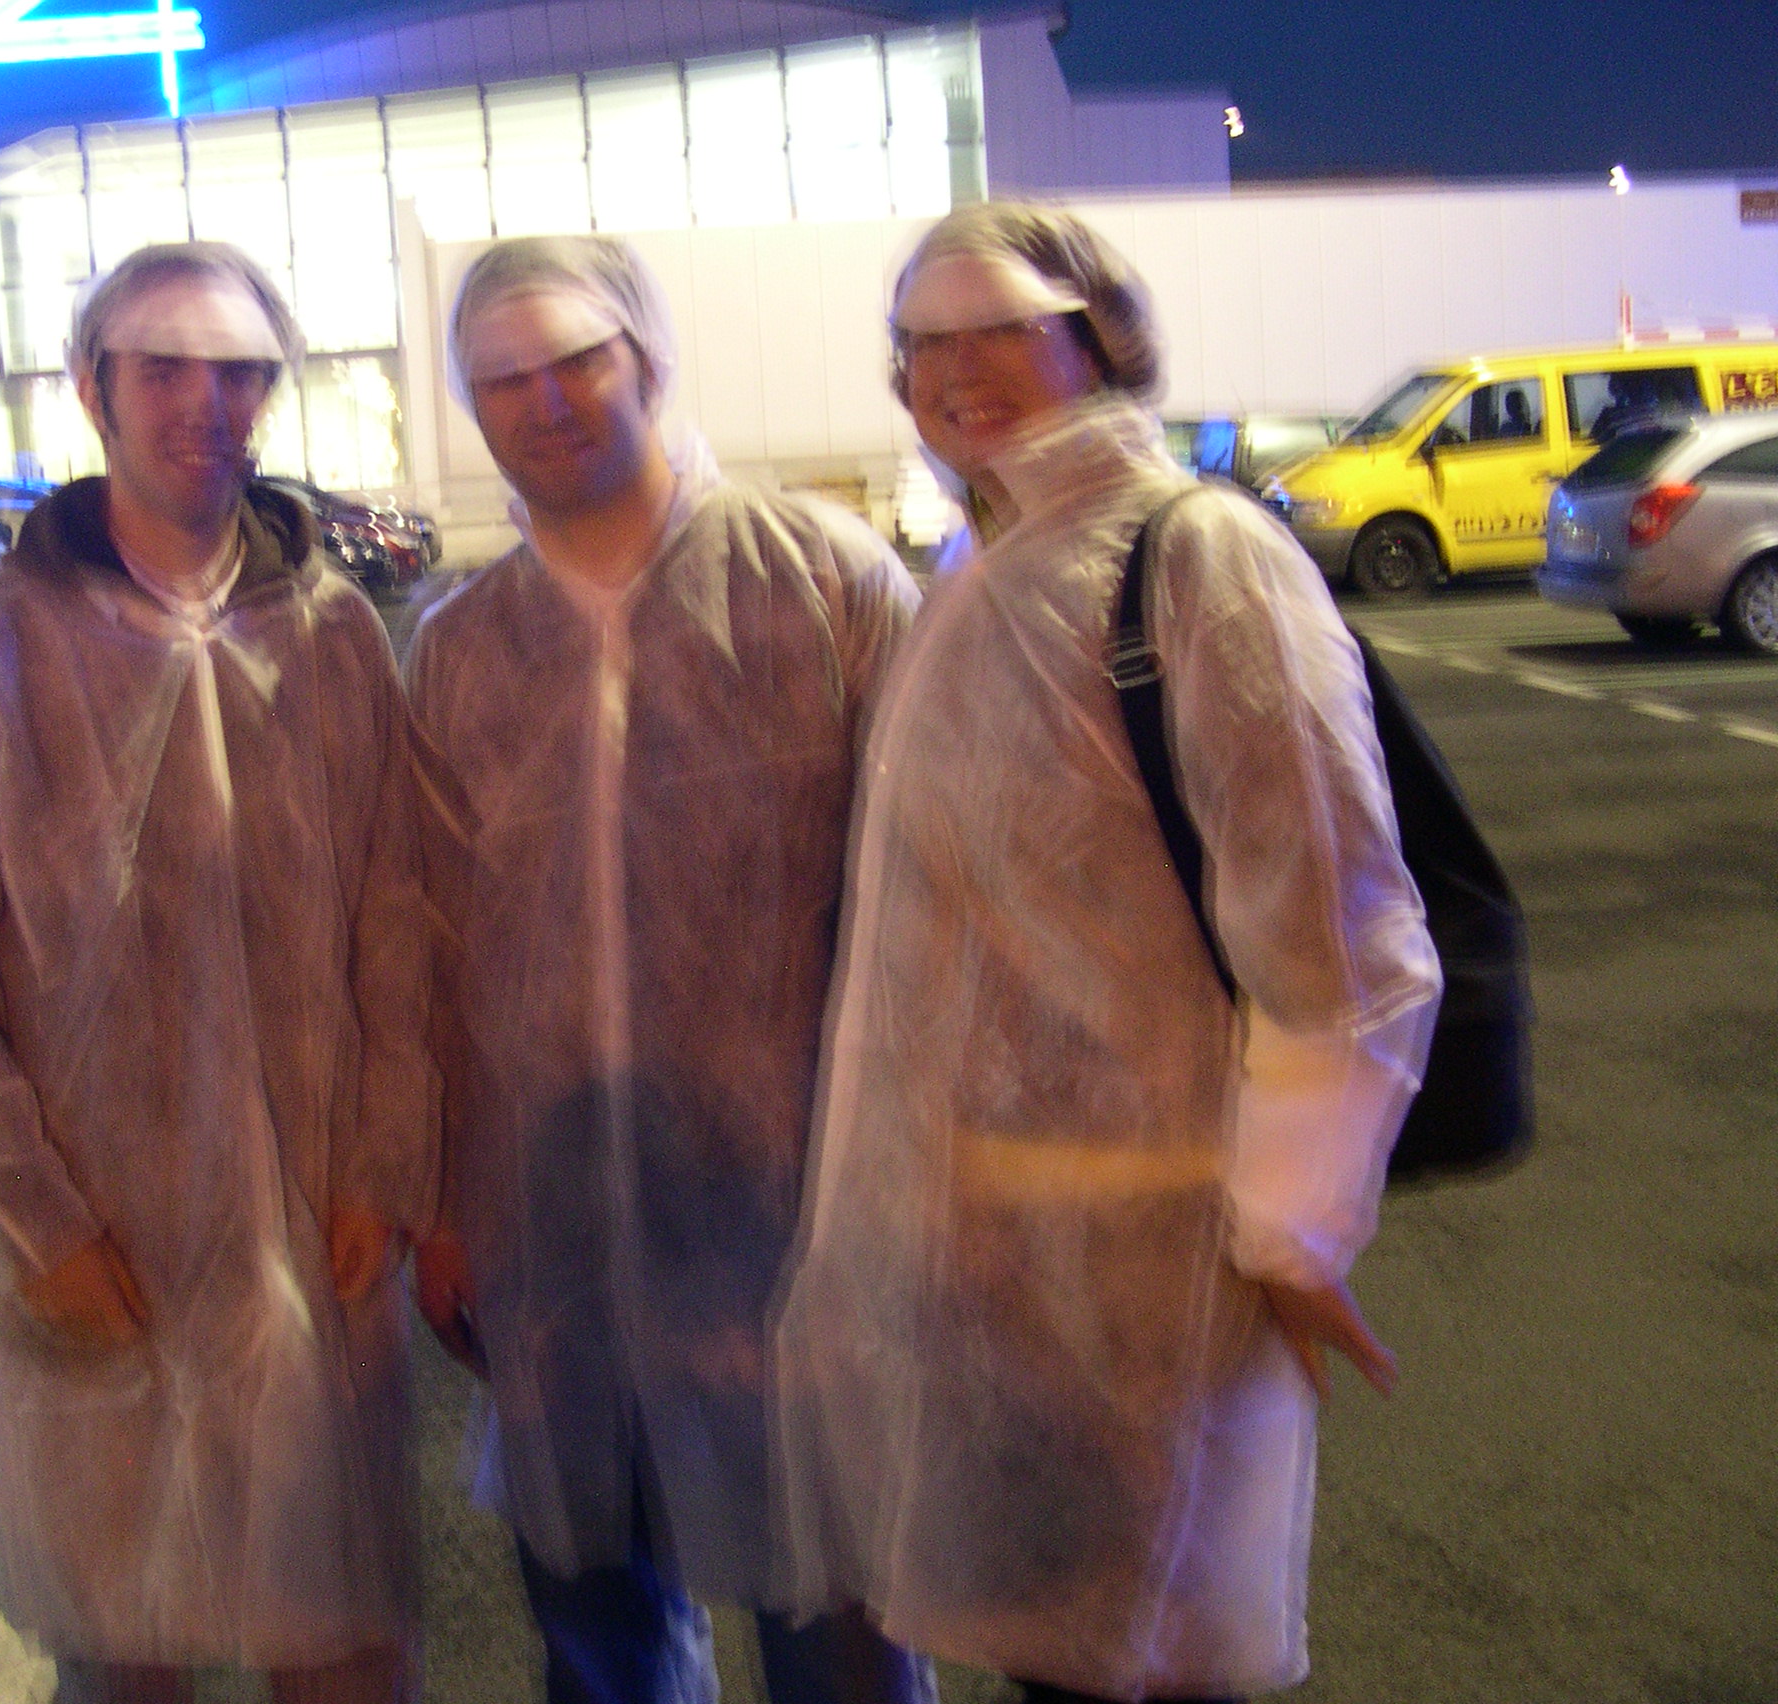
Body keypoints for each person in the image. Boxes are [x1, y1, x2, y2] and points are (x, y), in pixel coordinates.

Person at [772, 202, 1443, 1704]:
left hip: (1152, 1266)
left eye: (1003, 329)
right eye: (923, 343)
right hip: (996, 1270)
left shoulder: (1195, 555)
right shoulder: (983, 566)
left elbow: (1338, 925)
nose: (957, 370)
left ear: (1101, 339)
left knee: (1149, 1667)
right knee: (1058, 1666)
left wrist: (1294, 1229)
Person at [0, 242, 433, 1704]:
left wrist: (386, 1160)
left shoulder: (331, 637)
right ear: (92, 386)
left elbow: (395, 921)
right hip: (95, 1232)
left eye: (238, 372)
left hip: (316, 1223)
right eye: (164, 368)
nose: (205, 402)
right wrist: (31, 1226)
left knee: (345, 1632)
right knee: (126, 1639)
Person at [405, 234, 933, 1704]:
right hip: (549, 1232)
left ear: (647, 356)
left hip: (798, 1213)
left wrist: (901, 1193)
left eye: (578, 359)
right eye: (502, 379)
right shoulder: (460, 650)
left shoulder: (821, 583)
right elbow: (429, 952)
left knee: (839, 1627)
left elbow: (926, 913)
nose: (545, 401)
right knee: (603, 1632)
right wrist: (442, 1203)